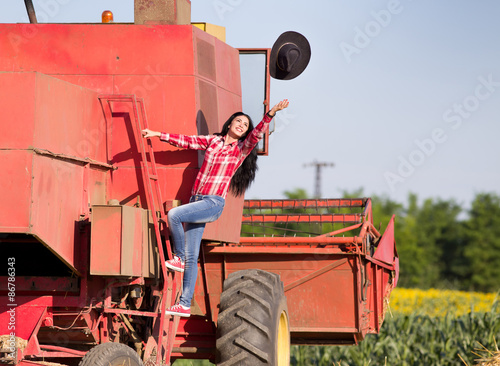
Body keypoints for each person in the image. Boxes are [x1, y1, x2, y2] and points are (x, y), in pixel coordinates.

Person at [142, 99, 289, 317]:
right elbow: (187, 141)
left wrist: (271, 114)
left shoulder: (240, 150)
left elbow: (257, 134)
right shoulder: (213, 142)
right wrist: (157, 134)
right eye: (238, 121)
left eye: (245, 125)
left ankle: (178, 257)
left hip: (212, 203)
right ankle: (184, 303)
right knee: (193, 257)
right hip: (197, 200)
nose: (241, 125)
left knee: (173, 215)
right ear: (229, 123)